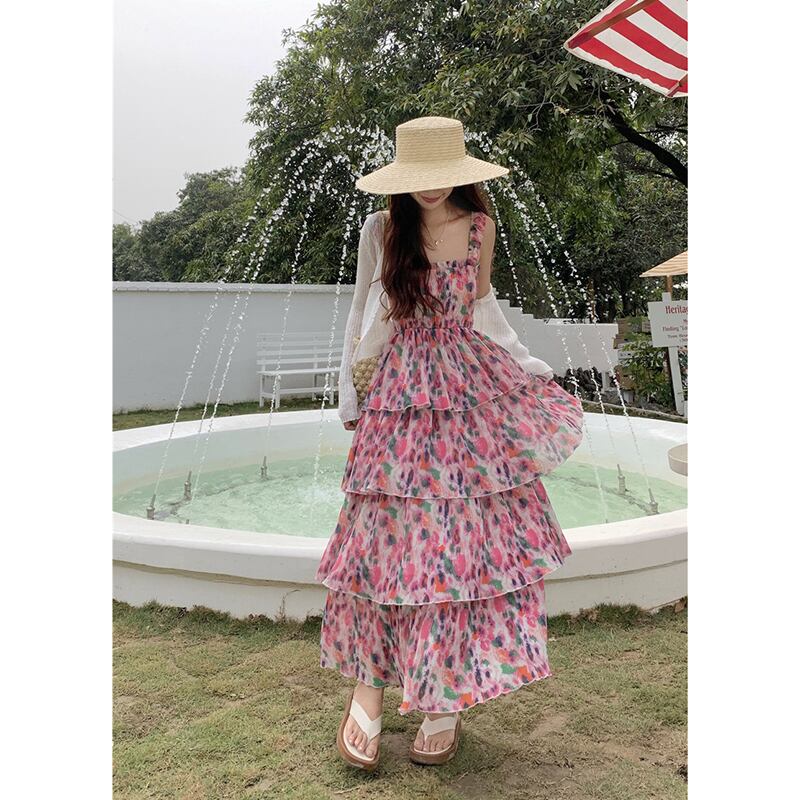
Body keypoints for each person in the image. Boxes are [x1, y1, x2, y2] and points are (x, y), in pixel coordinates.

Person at [314, 116, 584, 771]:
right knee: (380, 538)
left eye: (441, 176)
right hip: (399, 394)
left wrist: (524, 366)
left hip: (466, 392)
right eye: (419, 177)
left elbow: (483, 311)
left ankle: (443, 697)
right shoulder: (381, 229)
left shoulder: (480, 227)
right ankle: (368, 690)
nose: (430, 189)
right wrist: (350, 393)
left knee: (456, 548)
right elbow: (362, 314)